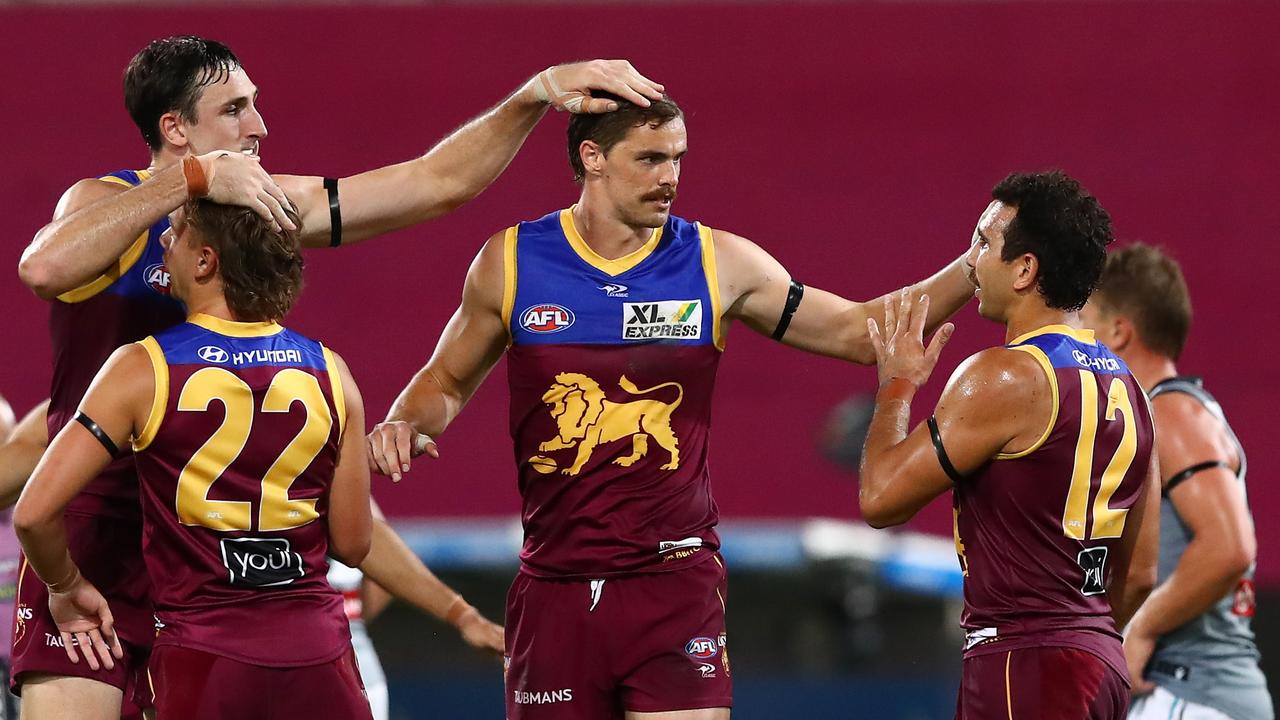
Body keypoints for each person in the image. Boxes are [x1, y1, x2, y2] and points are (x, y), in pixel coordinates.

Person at [13, 35, 655, 718]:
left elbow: (434, 184)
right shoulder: (105, 201)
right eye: (235, 110)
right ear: (175, 128)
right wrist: (189, 180)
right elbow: (44, 268)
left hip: (213, 558)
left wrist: (533, 94)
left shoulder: (266, 207)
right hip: (94, 544)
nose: (259, 126)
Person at [364, 93, 977, 719]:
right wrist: (405, 422)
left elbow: (857, 331)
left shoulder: (718, 263)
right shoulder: (513, 261)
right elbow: (444, 379)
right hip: (555, 587)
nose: (670, 177)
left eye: (678, 158)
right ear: (592, 158)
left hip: (674, 582)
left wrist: (975, 264)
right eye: (651, 158)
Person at [14, 198, 375, 719]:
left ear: (205, 260)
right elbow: (354, 543)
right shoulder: (334, 373)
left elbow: (31, 514)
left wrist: (65, 586)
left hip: (203, 658)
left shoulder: (141, 368)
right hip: (318, 654)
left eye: (176, 231)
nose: (163, 240)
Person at [857, 171, 1161, 719]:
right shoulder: (1133, 390)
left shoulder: (1002, 377)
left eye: (983, 242)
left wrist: (896, 386)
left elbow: (880, 497)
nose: (970, 261)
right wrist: (1082, 638)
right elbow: (1139, 572)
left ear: (1025, 269)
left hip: (1025, 662)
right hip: (1099, 662)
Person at [1080, 245, 1272, 720]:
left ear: (1119, 332)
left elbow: (1229, 546)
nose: (1074, 340)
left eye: (1083, 322)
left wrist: (1141, 628)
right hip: (1185, 693)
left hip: (1191, 690)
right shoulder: (1158, 415)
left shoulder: (1169, 414)